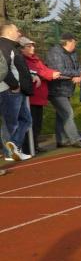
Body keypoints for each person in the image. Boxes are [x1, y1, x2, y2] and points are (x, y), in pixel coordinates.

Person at [46, 32, 81, 148]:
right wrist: (77, 73)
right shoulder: (55, 53)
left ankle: (62, 140)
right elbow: (60, 70)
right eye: (74, 41)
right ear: (69, 41)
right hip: (56, 89)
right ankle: (75, 139)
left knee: (61, 115)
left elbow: (79, 67)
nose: (76, 44)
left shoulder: (73, 53)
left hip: (67, 89)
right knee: (68, 113)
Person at [19, 36, 61, 154]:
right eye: (29, 46)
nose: (33, 48)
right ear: (22, 49)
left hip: (39, 97)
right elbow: (36, 71)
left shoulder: (35, 59)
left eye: (32, 46)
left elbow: (44, 69)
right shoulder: (23, 60)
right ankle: (27, 148)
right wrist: (50, 75)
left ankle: (34, 145)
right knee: (30, 124)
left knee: (37, 124)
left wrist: (54, 73)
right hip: (31, 97)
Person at [0, 23, 34, 161]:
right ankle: (10, 152)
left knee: (25, 120)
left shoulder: (11, 46)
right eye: (17, 30)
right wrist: (14, 85)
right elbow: (3, 68)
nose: (19, 33)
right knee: (12, 123)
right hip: (10, 90)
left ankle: (13, 148)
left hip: (16, 90)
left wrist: (32, 76)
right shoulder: (4, 46)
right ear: (9, 32)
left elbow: (17, 67)